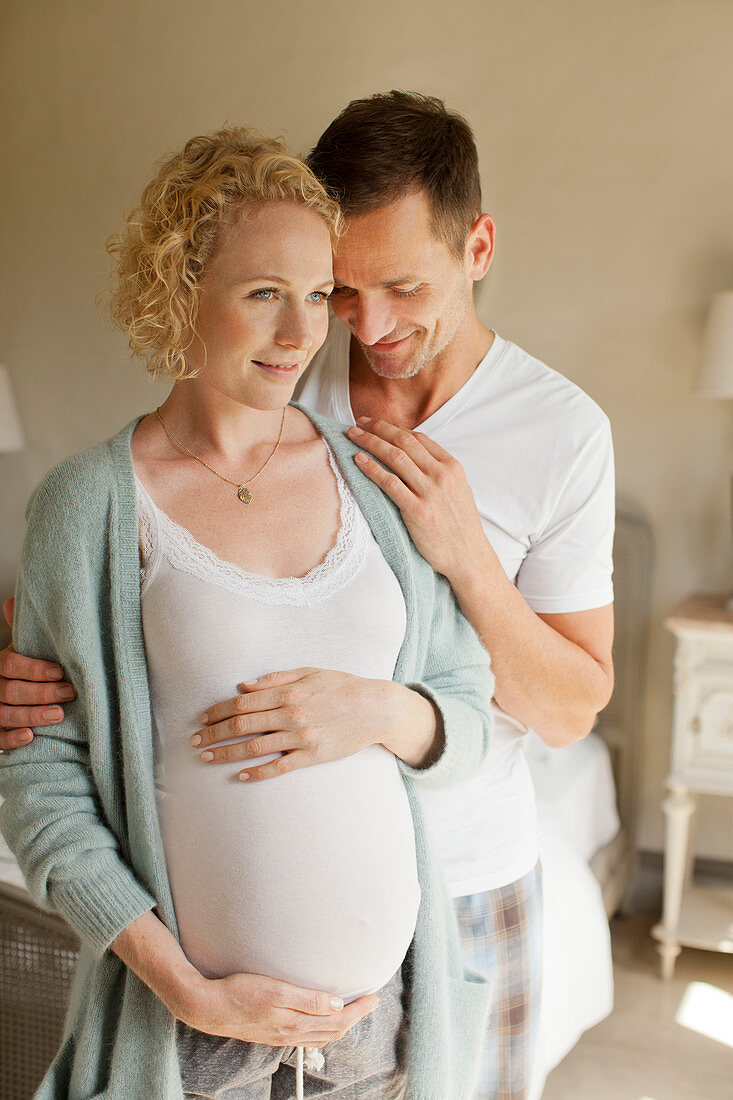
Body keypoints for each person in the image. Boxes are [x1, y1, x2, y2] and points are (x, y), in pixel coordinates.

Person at [0, 92, 615, 1098]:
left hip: (444, 912)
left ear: (477, 248)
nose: (348, 328)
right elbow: (63, 732)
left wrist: (453, 575)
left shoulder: (540, 436)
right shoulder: (150, 465)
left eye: (386, 287)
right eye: (337, 291)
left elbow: (546, 704)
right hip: (202, 1015)